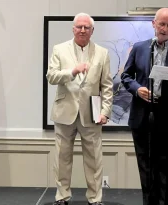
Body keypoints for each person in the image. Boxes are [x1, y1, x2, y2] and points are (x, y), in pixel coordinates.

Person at [121, 8, 168, 205]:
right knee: (145, 166)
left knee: (166, 166)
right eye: (161, 24)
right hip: (142, 115)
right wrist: (137, 89)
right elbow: (126, 76)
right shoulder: (139, 48)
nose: (164, 28)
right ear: (153, 24)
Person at [46, 13, 113, 205]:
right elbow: (51, 76)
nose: (82, 30)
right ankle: (62, 196)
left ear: (92, 30)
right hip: (64, 111)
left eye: (86, 27)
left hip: (92, 114)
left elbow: (107, 86)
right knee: (62, 158)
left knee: (94, 159)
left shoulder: (103, 53)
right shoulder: (59, 49)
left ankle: (95, 198)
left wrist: (105, 112)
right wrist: (72, 72)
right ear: (73, 29)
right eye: (79, 27)